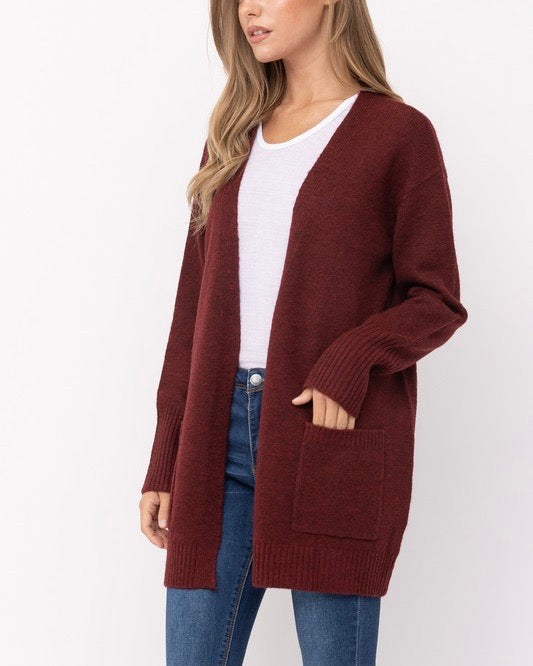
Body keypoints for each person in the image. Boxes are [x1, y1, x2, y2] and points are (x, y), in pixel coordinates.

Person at [139, 1, 468, 664]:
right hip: (215, 440)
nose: (248, 11)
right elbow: (191, 308)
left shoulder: (395, 134)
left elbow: (435, 299)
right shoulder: (233, 137)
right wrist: (166, 455)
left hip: (328, 436)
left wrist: (351, 359)